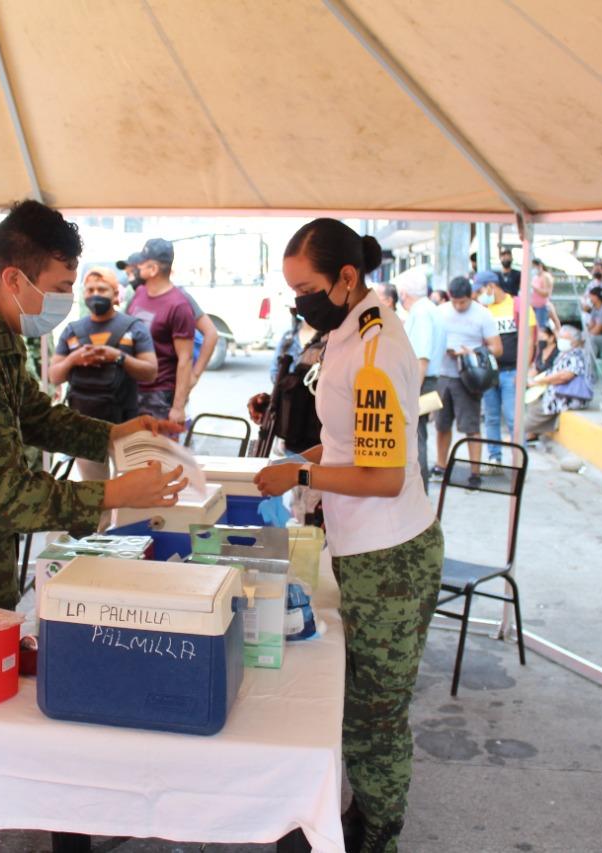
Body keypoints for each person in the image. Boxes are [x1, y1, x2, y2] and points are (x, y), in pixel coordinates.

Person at [0, 199, 188, 774]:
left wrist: (119, 433)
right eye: (60, 285)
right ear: (14, 277)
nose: (67, 300)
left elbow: (38, 416)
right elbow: (2, 494)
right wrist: (117, 494)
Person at [251, 218, 442, 853]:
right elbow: (343, 443)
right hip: (362, 548)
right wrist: (296, 460)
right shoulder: (344, 331)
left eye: (305, 287)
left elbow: (384, 475)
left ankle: (379, 835)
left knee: (375, 719)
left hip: (391, 556)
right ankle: (360, 818)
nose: (297, 301)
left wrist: (301, 471)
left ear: (346, 278)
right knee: (358, 705)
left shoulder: (376, 346)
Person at [50, 266, 157, 480]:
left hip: (125, 424)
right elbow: (54, 376)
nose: (95, 295)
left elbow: (150, 372)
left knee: (131, 493)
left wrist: (117, 356)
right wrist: (74, 359)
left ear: (115, 294)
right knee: (95, 493)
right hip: (85, 427)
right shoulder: (72, 331)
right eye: (90, 290)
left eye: (102, 289)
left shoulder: (134, 328)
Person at [119, 245, 222, 387]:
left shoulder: (178, 299)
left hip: (164, 390)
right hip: (137, 386)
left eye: (134, 271)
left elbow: (210, 333)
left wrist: (194, 376)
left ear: (152, 269)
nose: (130, 277)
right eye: (128, 274)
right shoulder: (138, 294)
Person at [434, 276, 500, 488]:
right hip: (443, 374)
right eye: (455, 302)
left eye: (462, 302)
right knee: (442, 425)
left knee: (471, 427)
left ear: (470, 296)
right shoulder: (441, 312)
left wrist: (471, 352)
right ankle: (441, 465)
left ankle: (474, 471)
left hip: (469, 378)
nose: (458, 306)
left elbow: (497, 348)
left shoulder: (482, 315)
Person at [475, 270, 534, 469]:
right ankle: (494, 458)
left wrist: (523, 372)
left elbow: (530, 341)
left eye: (481, 289)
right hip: (490, 373)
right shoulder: (483, 310)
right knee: (491, 417)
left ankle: (518, 461)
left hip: (511, 372)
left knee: (512, 418)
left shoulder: (518, 306)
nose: (479, 295)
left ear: (491, 286)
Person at [248, 310, 326, 456]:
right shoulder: (288, 338)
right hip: (290, 431)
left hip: (314, 438)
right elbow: (276, 375)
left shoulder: (329, 341)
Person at [399, 271, 442, 492]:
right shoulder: (426, 309)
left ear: (404, 294)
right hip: (424, 381)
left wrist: (412, 393)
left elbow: (422, 358)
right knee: (416, 436)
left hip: (422, 383)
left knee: (417, 438)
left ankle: (418, 491)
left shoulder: (422, 312)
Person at [526, 324, 593, 441]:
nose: (561, 341)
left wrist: (540, 381)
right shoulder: (564, 354)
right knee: (532, 400)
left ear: (574, 341)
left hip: (568, 396)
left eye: (565, 338)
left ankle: (520, 431)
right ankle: (531, 432)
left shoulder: (576, 355)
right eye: (560, 337)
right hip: (556, 391)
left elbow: (564, 376)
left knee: (539, 407)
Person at [529, 258, 554, 328]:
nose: (533, 269)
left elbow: (546, 293)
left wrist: (534, 287)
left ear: (539, 266)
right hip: (534, 307)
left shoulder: (546, 276)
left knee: (541, 329)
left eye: (534, 266)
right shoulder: (536, 276)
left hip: (542, 307)